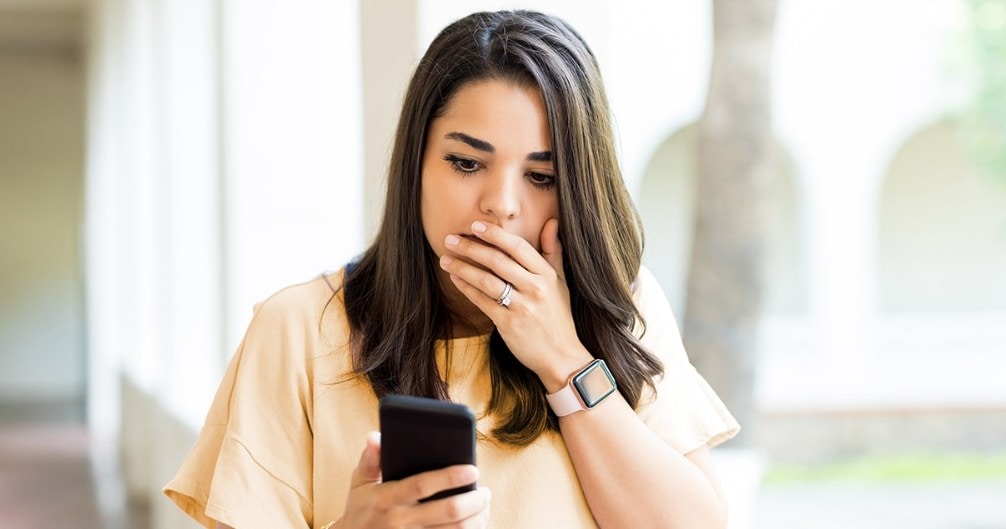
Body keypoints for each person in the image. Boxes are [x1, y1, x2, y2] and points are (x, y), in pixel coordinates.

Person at [164, 9, 739, 529]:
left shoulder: (622, 306)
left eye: (542, 177)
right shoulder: (299, 329)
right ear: (415, 162)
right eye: (466, 162)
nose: (501, 204)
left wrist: (564, 360)